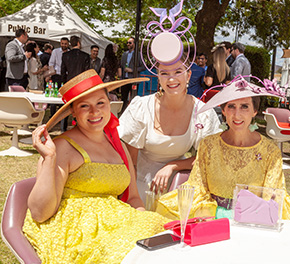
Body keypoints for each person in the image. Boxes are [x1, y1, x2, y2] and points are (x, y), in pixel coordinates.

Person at [22, 70, 170, 263]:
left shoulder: (119, 146)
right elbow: (40, 213)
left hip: (116, 225)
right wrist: (49, 158)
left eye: (100, 103)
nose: (95, 112)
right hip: (78, 231)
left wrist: (144, 222)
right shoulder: (62, 148)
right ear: (73, 111)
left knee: (167, 239)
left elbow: (133, 197)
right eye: (84, 106)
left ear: (109, 104)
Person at [156, 76, 290, 222]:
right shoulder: (208, 145)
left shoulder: (270, 151)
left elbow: (272, 196)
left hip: (253, 220)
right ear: (224, 110)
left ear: (255, 111)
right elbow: (198, 187)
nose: (237, 114)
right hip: (212, 218)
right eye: (231, 106)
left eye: (244, 106)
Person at [118, 56, 221, 205]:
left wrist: (173, 165)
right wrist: (133, 200)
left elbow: (207, 159)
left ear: (188, 75)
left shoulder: (202, 112)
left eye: (178, 71)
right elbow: (130, 161)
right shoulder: (142, 107)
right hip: (139, 187)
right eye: (164, 73)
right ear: (158, 77)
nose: (171, 79)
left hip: (178, 190)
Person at [120, 37, 146, 112]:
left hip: (133, 79)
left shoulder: (138, 55)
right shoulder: (124, 54)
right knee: (124, 98)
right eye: (127, 42)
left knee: (133, 99)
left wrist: (132, 70)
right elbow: (121, 67)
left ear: (134, 44)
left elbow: (143, 67)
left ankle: (133, 113)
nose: (128, 44)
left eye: (130, 43)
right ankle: (122, 114)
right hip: (125, 79)